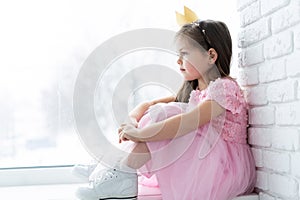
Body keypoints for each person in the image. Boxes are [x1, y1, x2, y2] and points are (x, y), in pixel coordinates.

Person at [76, 19, 256, 200]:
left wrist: (140, 134)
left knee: (168, 115)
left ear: (210, 56)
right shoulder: (197, 90)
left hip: (221, 166)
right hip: (206, 156)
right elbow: (147, 106)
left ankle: (122, 175)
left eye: (184, 54)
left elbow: (186, 122)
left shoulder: (224, 88)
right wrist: (133, 121)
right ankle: (113, 165)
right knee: (162, 112)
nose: (178, 60)